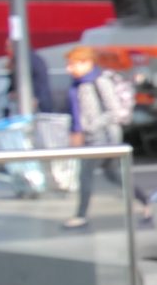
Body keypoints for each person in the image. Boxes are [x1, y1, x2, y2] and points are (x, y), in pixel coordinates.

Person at [61, 46, 150, 229]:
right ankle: (147, 202)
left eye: (73, 64)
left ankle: (80, 215)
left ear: (87, 63)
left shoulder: (99, 82)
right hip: (95, 138)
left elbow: (115, 111)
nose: (69, 69)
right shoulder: (79, 84)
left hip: (103, 138)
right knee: (113, 174)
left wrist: (90, 126)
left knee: (85, 175)